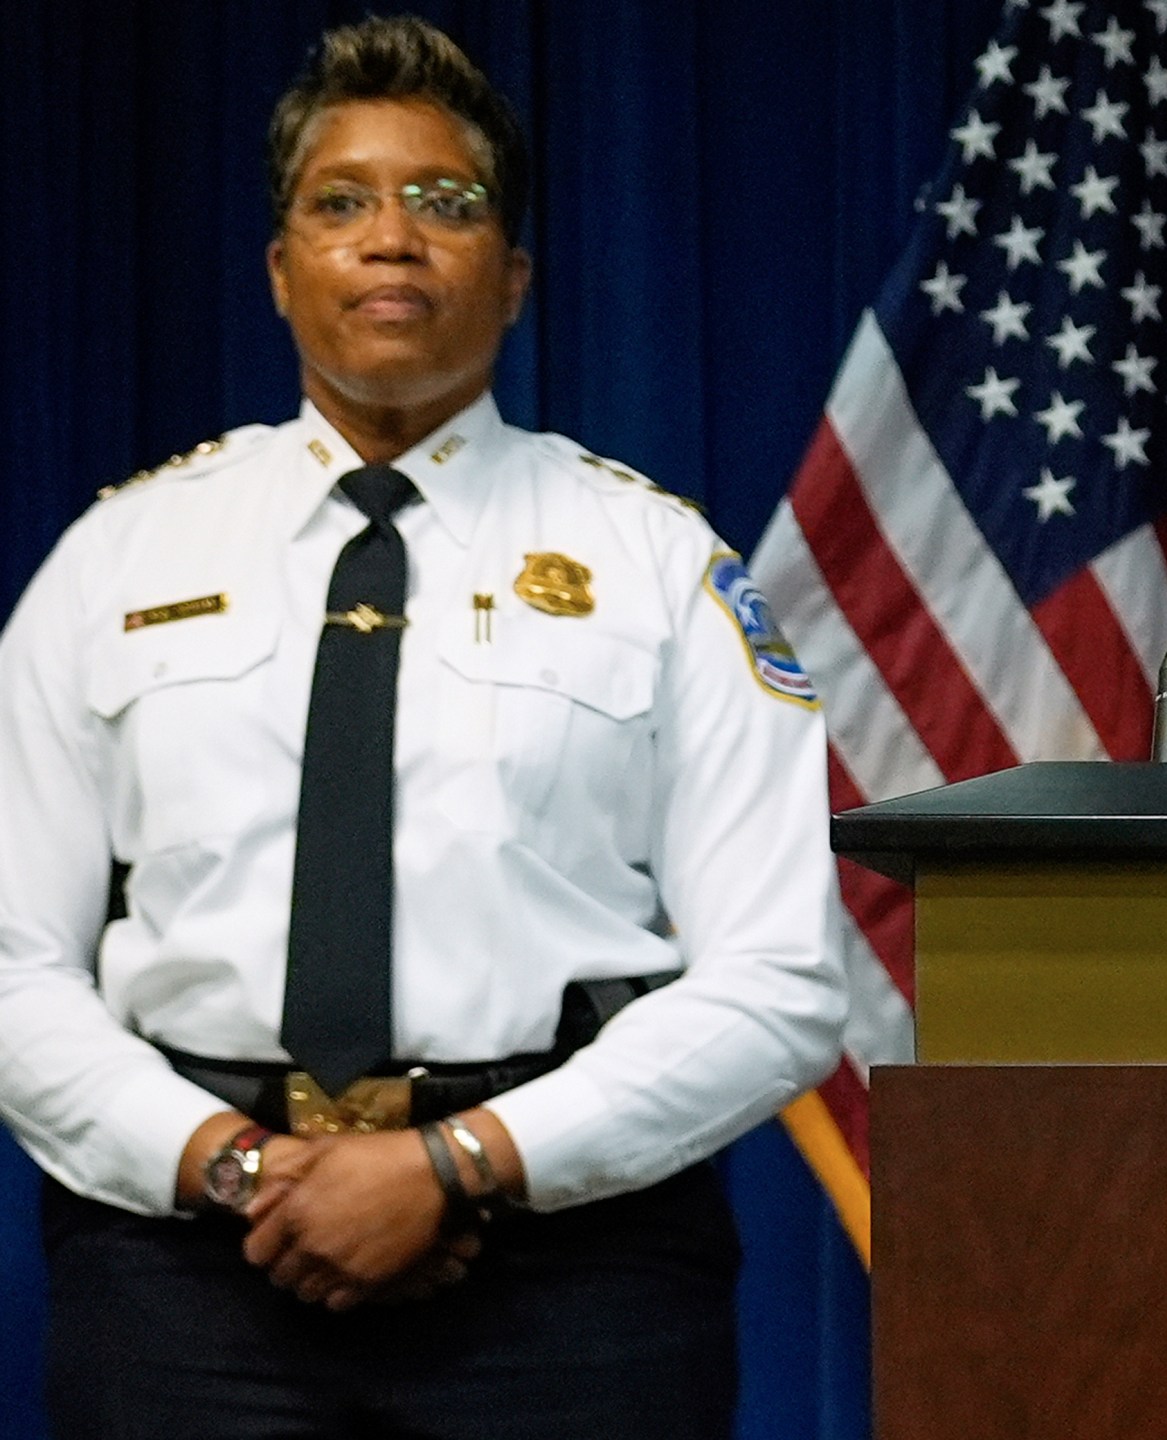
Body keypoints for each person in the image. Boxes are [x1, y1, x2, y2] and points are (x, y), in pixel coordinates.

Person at [0, 17, 847, 1436]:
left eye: (445, 203)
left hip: (575, 1279)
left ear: (513, 279)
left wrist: (459, 1162)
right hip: (184, 1282)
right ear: (281, 273)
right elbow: (12, 959)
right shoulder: (115, 562)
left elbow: (777, 978)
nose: (392, 238)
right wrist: (232, 1167)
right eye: (341, 202)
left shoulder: (657, 563)